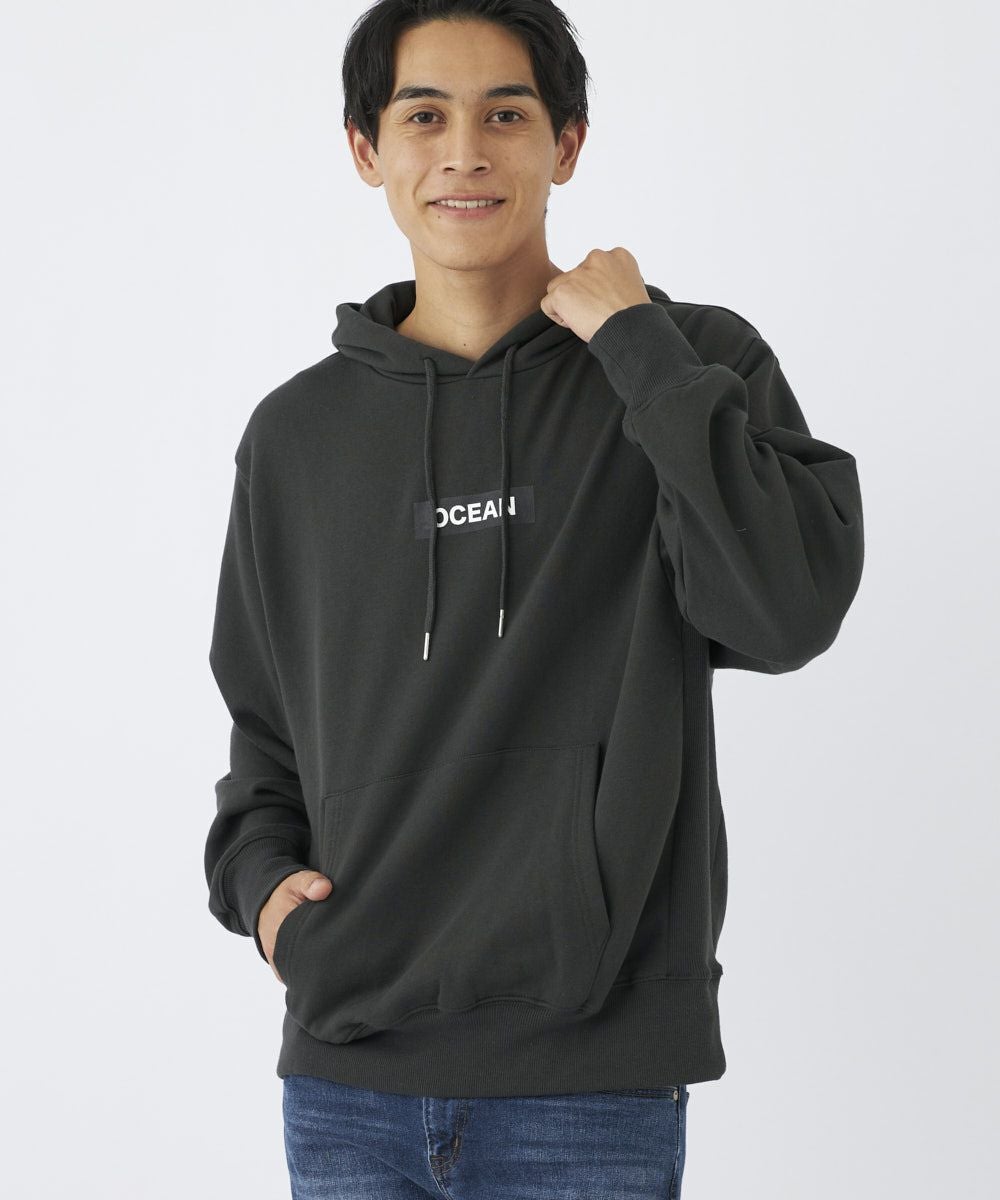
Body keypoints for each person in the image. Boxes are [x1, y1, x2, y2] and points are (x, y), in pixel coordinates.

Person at [203, 1, 865, 1195]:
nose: (464, 151)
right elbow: (264, 727)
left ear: (565, 144)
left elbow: (784, 611)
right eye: (423, 117)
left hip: (589, 1084)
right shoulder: (296, 436)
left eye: (505, 115)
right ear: (366, 150)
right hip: (348, 1079)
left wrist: (638, 348)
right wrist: (263, 898)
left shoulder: (685, 359)